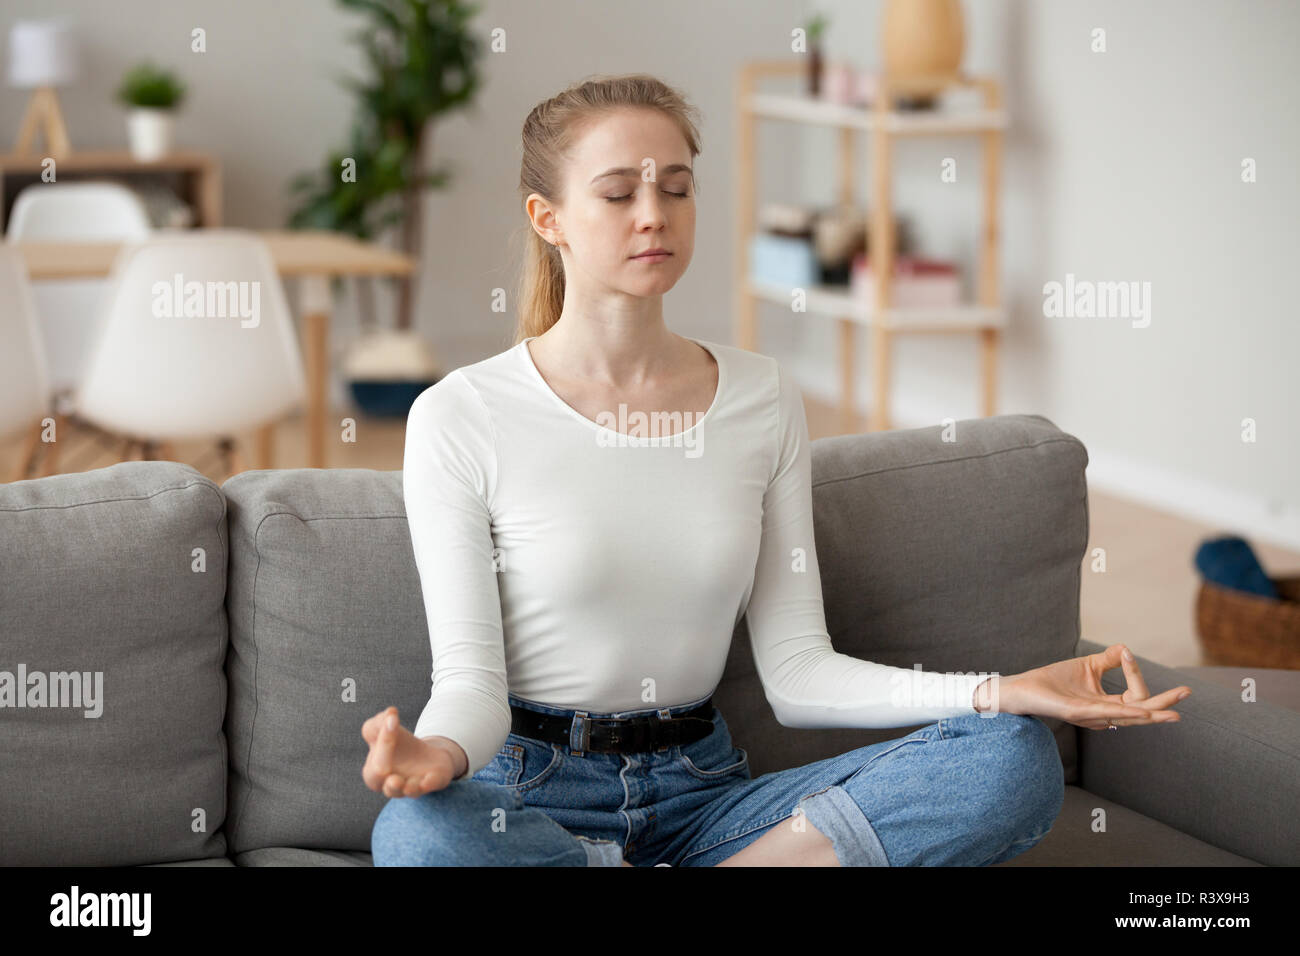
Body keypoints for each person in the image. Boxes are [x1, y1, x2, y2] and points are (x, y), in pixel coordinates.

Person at [364, 73, 1190, 867]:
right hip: (534, 794)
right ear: (549, 219)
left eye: (677, 189)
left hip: (706, 796)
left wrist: (999, 692)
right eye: (618, 194)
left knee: (1011, 759)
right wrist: (434, 754)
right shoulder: (461, 414)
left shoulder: (761, 396)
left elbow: (798, 670)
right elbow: (472, 684)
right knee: (417, 835)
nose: (654, 215)